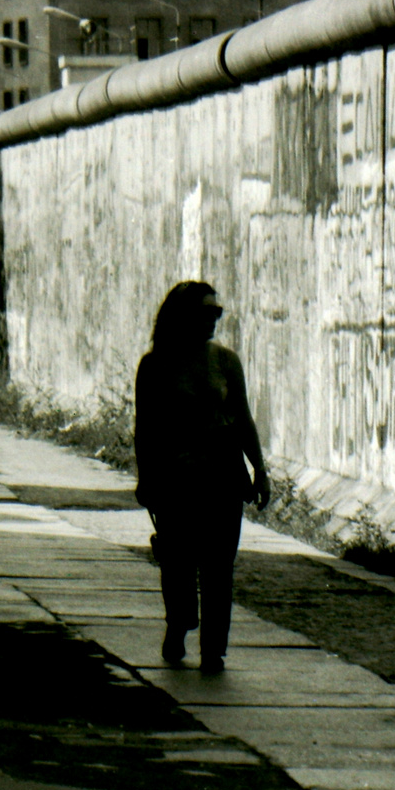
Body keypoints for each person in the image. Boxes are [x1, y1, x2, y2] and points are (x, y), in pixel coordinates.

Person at [134, 281, 270, 674]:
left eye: (217, 314)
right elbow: (145, 430)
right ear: (182, 316)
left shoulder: (226, 362)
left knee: (218, 566)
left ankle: (214, 649)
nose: (213, 321)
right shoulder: (155, 365)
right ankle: (178, 625)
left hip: (224, 477)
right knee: (177, 562)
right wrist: (146, 480)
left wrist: (259, 470)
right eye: (206, 313)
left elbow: (243, 419)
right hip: (176, 480)